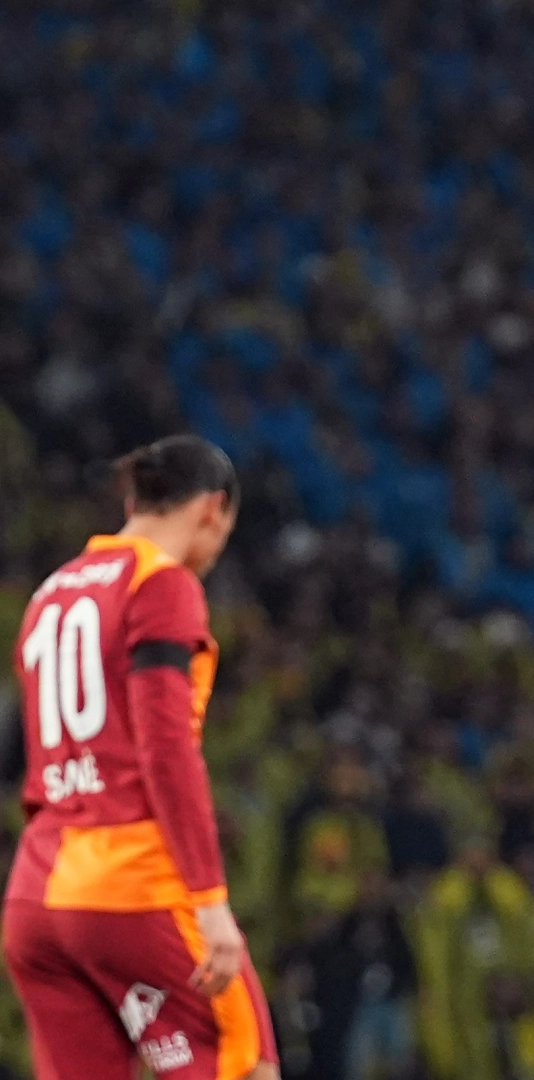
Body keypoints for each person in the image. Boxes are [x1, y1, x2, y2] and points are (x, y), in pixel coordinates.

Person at [2, 435, 279, 1080]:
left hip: (37, 896)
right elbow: (165, 750)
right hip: (131, 886)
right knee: (246, 1065)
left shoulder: (51, 593)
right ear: (213, 508)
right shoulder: (161, 584)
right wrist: (210, 902)